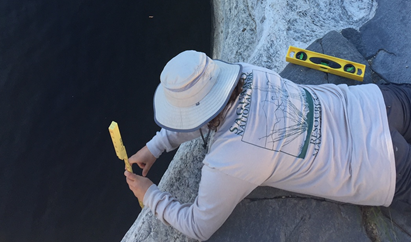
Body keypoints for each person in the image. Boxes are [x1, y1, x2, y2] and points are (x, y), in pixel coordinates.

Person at [124, 50, 410, 241]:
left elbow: (198, 226)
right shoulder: (247, 72)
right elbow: (206, 112)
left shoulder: (227, 162)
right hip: (374, 103)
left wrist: (150, 195)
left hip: (380, 165)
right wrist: (157, 145)